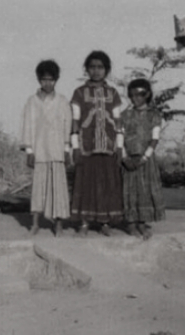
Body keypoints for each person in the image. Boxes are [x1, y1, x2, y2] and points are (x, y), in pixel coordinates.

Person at [69, 50, 124, 236]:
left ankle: (105, 222)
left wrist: (119, 146)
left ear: (106, 70)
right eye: (92, 67)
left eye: (100, 67)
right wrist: (75, 147)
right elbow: (75, 121)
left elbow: (118, 122)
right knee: (85, 183)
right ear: (87, 69)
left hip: (108, 147)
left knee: (107, 183)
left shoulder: (113, 93)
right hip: (86, 146)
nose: (96, 71)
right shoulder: (79, 93)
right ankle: (84, 222)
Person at [19, 59, 71, 236]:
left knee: (58, 189)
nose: (47, 83)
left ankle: (58, 224)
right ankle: (35, 223)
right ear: (38, 80)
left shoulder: (62, 101)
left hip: (57, 151)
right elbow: (28, 125)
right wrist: (29, 151)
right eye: (44, 80)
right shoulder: (32, 101)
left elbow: (67, 125)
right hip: (40, 150)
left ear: (56, 80)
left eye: (51, 79)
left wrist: (66, 148)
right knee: (38, 188)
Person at [120, 78, 165, 239]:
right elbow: (120, 137)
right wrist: (124, 157)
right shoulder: (125, 115)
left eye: (139, 95)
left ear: (147, 95)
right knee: (129, 191)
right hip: (128, 160)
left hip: (146, 161)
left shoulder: (154, 115)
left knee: (145, 190)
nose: (135, 99)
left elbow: (155, 139)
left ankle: (141, 223)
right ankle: (131, 224)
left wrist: (145, 157)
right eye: (131, 95)